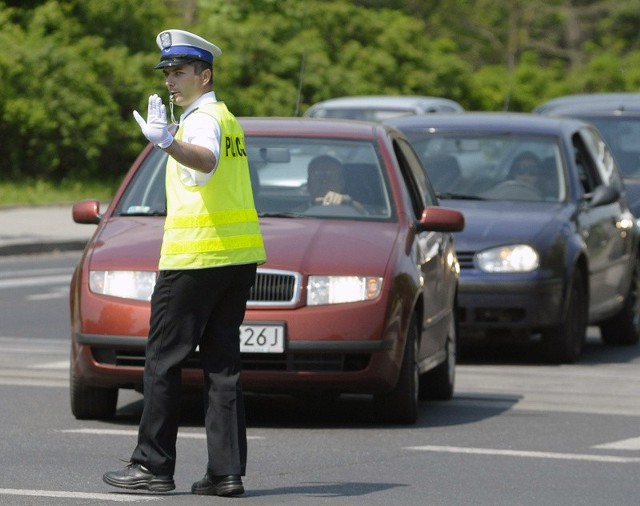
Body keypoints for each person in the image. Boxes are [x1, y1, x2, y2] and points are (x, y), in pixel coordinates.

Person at [102, 29, 266, 497]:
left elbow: (206, 160)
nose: (171, 81)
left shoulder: (200, 121)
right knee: (222, 367)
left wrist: (169, 142)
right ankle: (226, 472)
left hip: (195, 259)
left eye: (180, 72)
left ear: (205, 74)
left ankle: (152, 466)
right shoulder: (226, 116)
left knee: (163, 362)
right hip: (236, 259)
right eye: (168, 73)